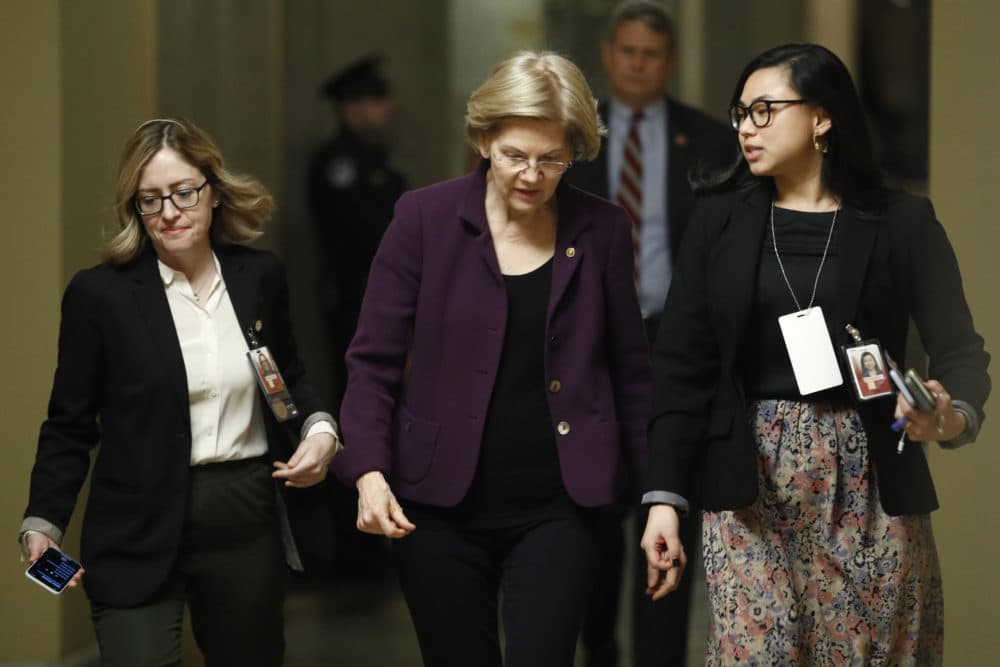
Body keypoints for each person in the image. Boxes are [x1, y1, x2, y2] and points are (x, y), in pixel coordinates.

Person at [640, 43, 990, 665]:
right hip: (749, 485)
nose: (747, 126)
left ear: (823, 118)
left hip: (871, 484)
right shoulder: (718, 221)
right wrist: (664, 497)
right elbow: (681, 369)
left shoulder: (902, 221)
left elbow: (960, 350)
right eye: (740, 113)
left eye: (766, 109)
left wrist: (950, 414)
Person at [332, 51, 651, 667]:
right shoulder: (422, 219)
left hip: (562, 507)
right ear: (483, 139)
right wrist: (368, 470)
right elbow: (371, 362)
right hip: (436, 507)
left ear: (573, 151)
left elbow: (632, 374)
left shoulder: (603, 229)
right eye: (515, 155)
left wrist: (656, 496)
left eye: (552, 159)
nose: (532, 174)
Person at [19, 118, 341, 667]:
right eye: (150, 200)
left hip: (244, 517)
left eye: (184, 193)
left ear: (213, 192)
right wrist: (42, 524)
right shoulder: (101, 296)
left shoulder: (257, 277)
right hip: (135, 523)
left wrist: (321, 431)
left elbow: (289, 378)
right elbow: (69, 425)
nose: (169, 212)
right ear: (135, 209)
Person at [562, 2, 732, 665]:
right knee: (597, 515)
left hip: (676, 346)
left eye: (651, 53)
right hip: (590, 351)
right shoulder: (574, 139)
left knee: (669, 506)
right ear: (608, 56)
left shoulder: (712, 140)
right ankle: (597, 647)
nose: (637, 63)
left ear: (669, 60)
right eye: (627, 51)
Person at [307, 53, 407, 412]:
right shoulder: (338, 164)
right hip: (355, 295)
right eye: (377, 100)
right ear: (350, 108)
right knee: (358, 389)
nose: (388, 109)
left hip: (385, 291)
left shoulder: (378, 159)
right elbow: (365, 232)